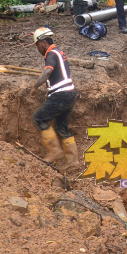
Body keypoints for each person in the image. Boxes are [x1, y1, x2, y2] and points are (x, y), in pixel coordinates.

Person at [29, 27, 79, 170]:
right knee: (61, 127)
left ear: (43, 42)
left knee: (38, 118)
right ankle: (72, 161)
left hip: (61, 94)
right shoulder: (59, 52)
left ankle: (55, 151)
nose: (38, 49)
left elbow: (47, 72)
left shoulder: (50, 54)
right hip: (70, 93)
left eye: (37, 45)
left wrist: (35, 86)